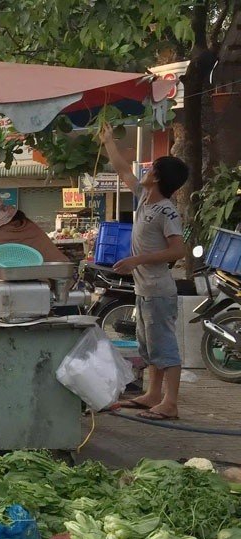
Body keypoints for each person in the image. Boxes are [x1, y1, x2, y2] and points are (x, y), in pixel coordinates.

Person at [101, 126, 189, 421]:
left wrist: (136, 259)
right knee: (148, 345)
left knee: (164, 346)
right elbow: (123, 170)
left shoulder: (167, 211)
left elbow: (179, 251)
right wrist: (109, 141)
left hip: (158, 289)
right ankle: (152, 395)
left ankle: (170, 403)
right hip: (144, 290)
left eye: (153, 168)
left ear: (159, 177)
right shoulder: (143, 198)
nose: (146, 169)